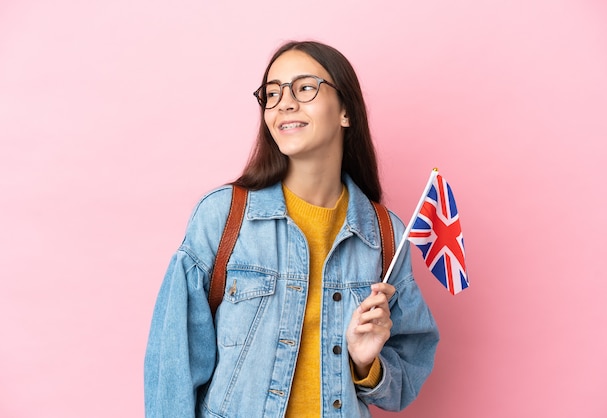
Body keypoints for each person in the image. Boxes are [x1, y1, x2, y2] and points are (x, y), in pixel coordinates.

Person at [144, 40, 439, 418]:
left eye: (305, 88)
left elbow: (407, 374)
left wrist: (366, 365)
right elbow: (173, 366)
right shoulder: (222, 216)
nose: (284, 102)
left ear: (346, 111)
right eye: (272, 93)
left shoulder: (383, 234)